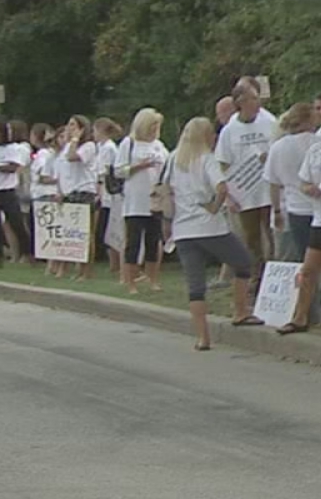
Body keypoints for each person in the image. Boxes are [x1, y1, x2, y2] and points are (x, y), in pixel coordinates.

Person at [166, 117, 264, 350]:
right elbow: (221, 187)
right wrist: (215, 205)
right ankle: (240, 310)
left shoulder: (173, 159)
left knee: (195, 285)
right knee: (243, 262)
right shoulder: (206, 159)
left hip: (183, 229)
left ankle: (203, 337)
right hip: (209, 226)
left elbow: (167, 189)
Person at [276, 104, 321, 335]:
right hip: (316, 215)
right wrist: (310, 189)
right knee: (309, 268)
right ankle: (301, 316)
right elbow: (304, 181)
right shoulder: (315, 148)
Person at [215, 80, 278, 282]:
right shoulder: (230, 130)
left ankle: (272, 277)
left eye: (257, 98)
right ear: (240, 102)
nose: (257, 102)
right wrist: (228, 195)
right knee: (251, 238)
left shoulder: (269, 121)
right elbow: (223, 164)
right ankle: (255, 278)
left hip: (268, 189)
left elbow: (279, 149)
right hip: (245, 192)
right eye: (252, 98)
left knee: (272, 234)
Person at [116, 108, 170, 295]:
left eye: (157, 126)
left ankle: (153, 279)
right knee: (134, 242)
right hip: (135, 201)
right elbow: (118, 171)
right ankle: (130, 281)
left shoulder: (159, 146)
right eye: (152, 125)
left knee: (153, 242)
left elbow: (167, 166)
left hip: (154, 200)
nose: (155, 129)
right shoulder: (129, 143)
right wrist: (139, 166)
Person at [267, 103, 318, 263]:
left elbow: (273, 183)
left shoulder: (278, 147)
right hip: (318, 206)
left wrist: (276, 210)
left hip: (294, 207)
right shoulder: (318, 143)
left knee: (298, 256)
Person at [0, 120, 33, 267]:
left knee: (17, 223)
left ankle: (27, 253)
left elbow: (12, 168)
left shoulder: (13, 148)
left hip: (8, 190)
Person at [57, 115, 100, 279]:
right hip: (69, 192)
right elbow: (62, 170)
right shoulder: (68, 146)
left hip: (84, 191)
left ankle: (87, 270)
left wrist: (75, 138)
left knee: (85, 234)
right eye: (68, 124)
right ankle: (75, 268)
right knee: (71, 233)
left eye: (73, 125)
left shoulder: (88, 146)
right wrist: (60, 191)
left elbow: (72, 157)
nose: (69, 128)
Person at [28, 124, 63, 275]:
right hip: (41, 194)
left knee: (47, 230)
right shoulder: (48, 154)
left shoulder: (44, 154)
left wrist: (59, 180)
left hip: (45, 194)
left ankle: (51, 262)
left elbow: (42, 176)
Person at [93, 117, 124, 277]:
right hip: (105, 193)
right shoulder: (101, 147)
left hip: (108, 193)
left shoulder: (108, 148)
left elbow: (104, 172)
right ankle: (113, 263)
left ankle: (115, 263)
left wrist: (98, 191)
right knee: (105, 229)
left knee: (108, 228)